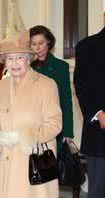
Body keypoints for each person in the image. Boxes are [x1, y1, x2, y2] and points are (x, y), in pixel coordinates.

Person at [0, 31, 62, 198]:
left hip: (34, 165)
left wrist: (23, 136)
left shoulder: (46, 85)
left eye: (19, 58)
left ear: (28, 59)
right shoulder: (1, 86)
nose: (14, 63)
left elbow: (55, 124)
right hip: (8, 163)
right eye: (9, 58)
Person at [30, 25, 74, 152]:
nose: (37, 48)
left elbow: (66, 100)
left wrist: (68, 131)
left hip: (54, 124)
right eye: (33, 44)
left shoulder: (61, 67)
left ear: (48, 42)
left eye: (41, 43)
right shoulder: (26, 67)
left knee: (52, 166)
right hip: (31, 125)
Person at [74, 27, 105, 198]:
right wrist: (98, 114)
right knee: (99, 190)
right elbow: (82, 86)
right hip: (101, 135)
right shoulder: (87, 47)